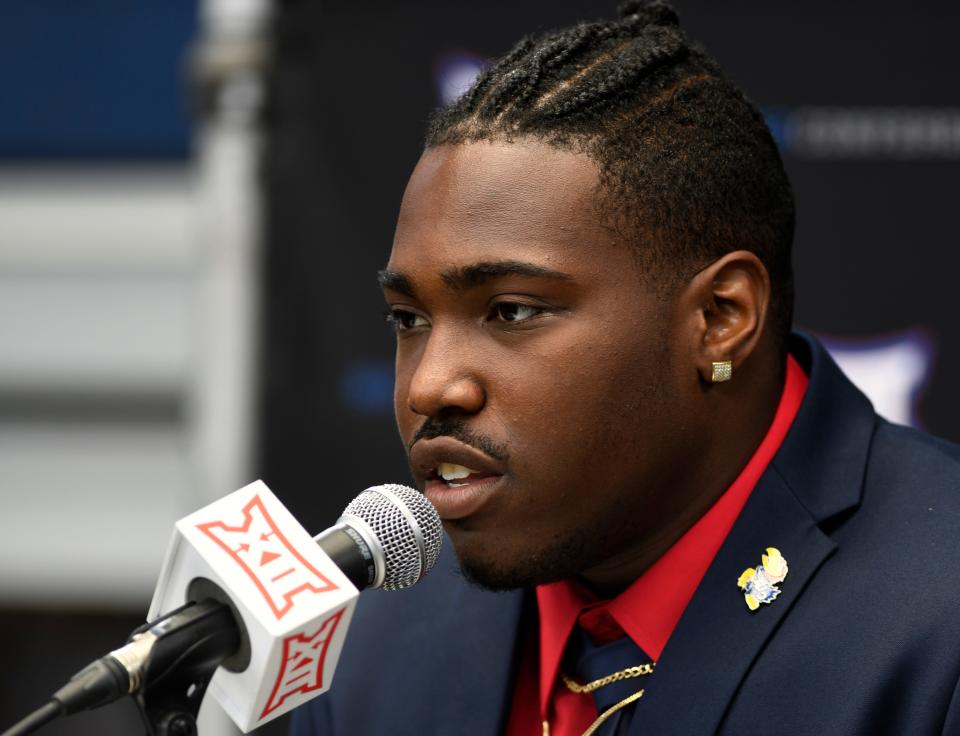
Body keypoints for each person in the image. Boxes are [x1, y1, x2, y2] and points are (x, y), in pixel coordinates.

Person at [292, 2, 960, 734]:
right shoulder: (375, 639)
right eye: (409, 320)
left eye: (512, 311)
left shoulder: (937, 618)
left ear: (720, 320)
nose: (429, 385)